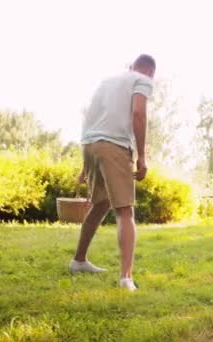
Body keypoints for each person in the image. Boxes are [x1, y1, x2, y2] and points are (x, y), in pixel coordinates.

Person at [68, 54, 156, 291]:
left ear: (131, 66)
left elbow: (94, 118)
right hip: (114, 145)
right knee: (125, 210)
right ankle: (126, 277)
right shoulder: (143, 79)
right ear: (150, 72)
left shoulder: (107, 81)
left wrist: (85, 165)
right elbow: (139, 114)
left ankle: (78, 261)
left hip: (90, 144)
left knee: (100, 204)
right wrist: (142, 156)